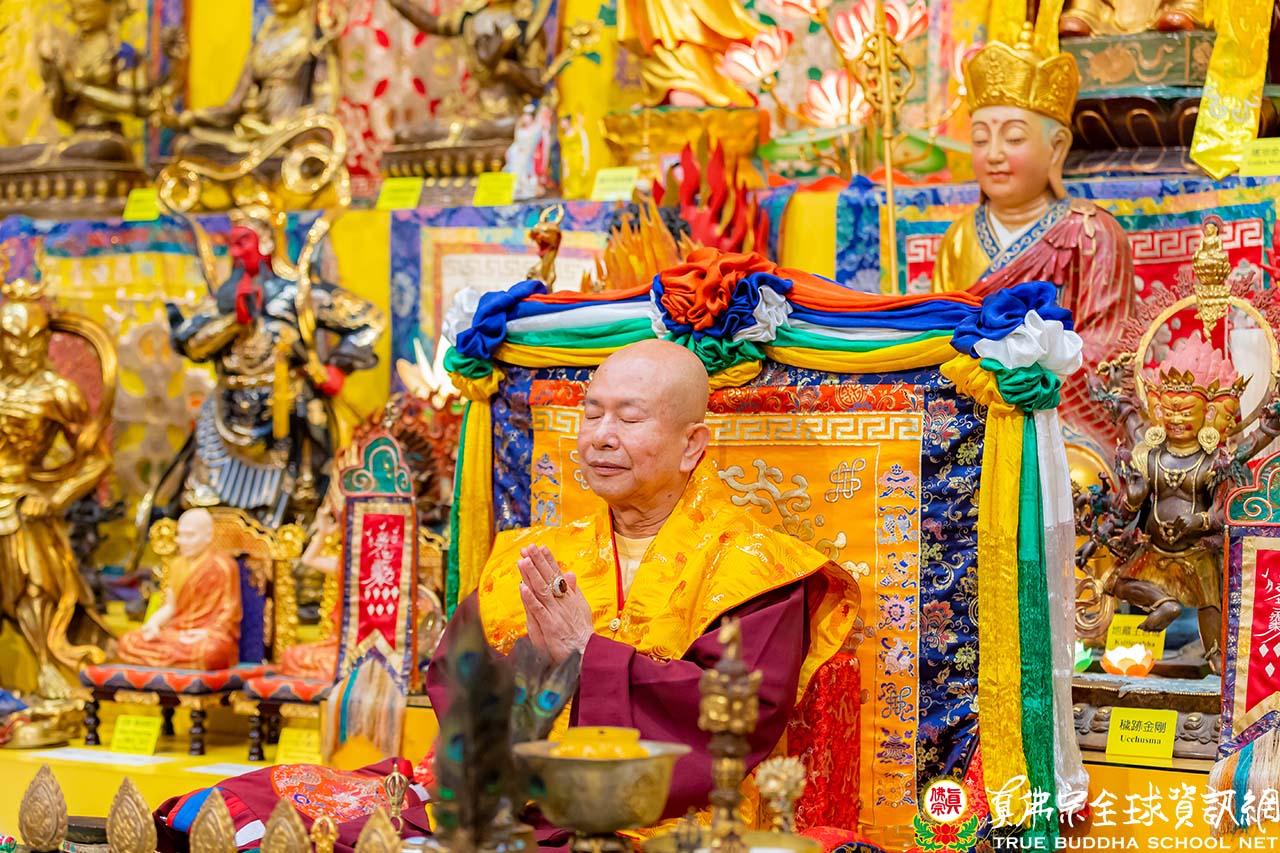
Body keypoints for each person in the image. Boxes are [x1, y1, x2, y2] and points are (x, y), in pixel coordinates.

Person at [152, 339, 860, 851]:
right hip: (505, 796)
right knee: (243, 804)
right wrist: (538, 677)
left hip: (666, 824)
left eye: (629, 418)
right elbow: (460, 691)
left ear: (691, 444)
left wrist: (588, 654)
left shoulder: (757, 567)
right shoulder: (529, 554)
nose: (600, 437)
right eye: (591, 413)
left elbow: (736, 721)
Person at [931, 25, 1135, 453]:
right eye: (980, 138)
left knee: (1074, 477)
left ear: (1057, 148)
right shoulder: (958, 238)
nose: (993, 154)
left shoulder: (1092, 232)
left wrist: (1030, 379)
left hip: (1060, 412)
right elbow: (940, 334)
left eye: (1014, 138)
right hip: (973, 406)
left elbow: (1108, 349)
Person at [117, 509, 242, 670]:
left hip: (204, 638)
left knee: (211, 652)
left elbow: (229, 611)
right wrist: (153, 624)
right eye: (180, 535)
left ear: (208, 536)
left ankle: (165, 659)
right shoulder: (176, 565)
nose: (183, 541)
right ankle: (172, 659)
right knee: (127, 642)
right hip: (176, 634)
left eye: (190, 536)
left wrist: (205, 633)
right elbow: (170, 607)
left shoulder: (224, 566)